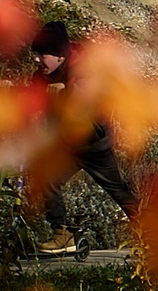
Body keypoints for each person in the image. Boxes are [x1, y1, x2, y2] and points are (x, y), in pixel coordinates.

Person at [29, 18, 141, 257]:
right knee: (47, 179)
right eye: (35, 54)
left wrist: (64, 91)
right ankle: (62, 235)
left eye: (43, 54)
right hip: (66, 146)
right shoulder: (41, 75)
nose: (37, 60)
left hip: (94, 145)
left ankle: (150, 233)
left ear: (60, 55)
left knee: (117, 191)